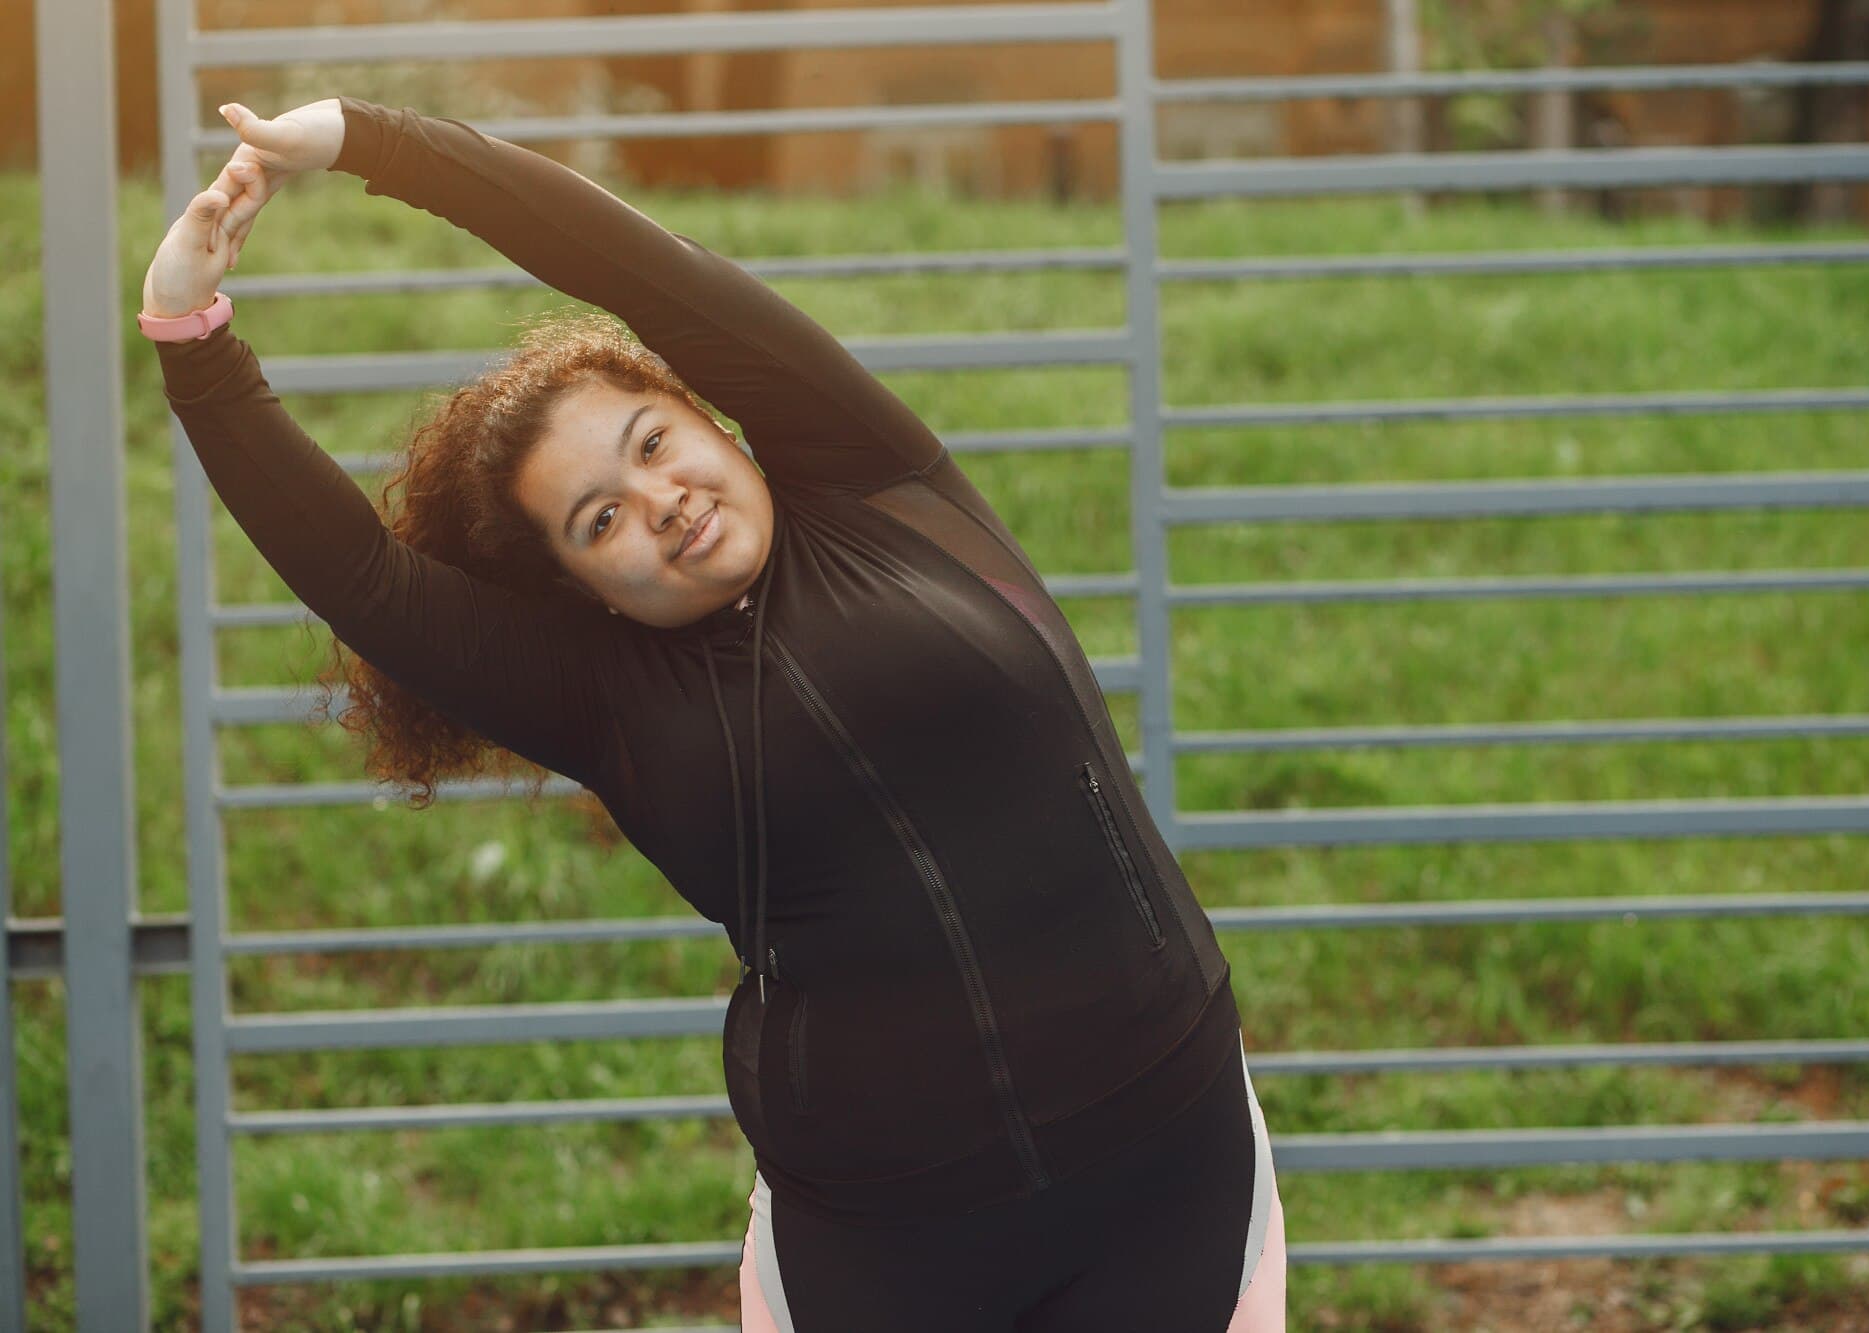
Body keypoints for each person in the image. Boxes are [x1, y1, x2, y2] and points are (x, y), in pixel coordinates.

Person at [141, 96, 1287, 1331]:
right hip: (888, 1240)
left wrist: (374, 141)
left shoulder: (876, 480)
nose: (657, 500)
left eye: (651, 443)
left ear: (712, 417)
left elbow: (636, 265)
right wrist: (191, 339)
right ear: (581, 589)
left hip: (1164, 1166)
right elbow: (359, 576)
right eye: (598, 519)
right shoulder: (605, 698)